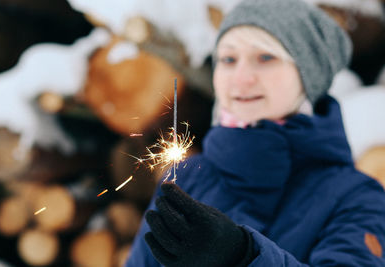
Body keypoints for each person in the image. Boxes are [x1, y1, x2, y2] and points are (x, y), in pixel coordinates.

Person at [125, 0, 385, 266]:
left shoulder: (357, 197)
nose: (241, 77)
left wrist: (242, 257)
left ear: (309, 74)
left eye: (266, 57)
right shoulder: (188, 177)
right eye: (228, 59)